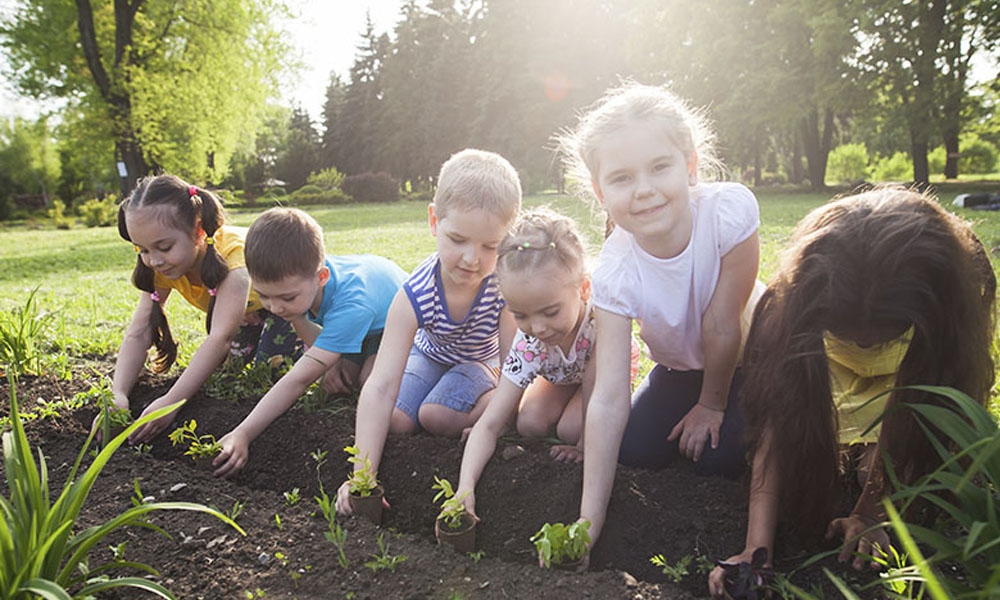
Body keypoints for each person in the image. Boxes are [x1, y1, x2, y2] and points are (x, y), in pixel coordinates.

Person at [708, 188, 996, 597]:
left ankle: (869, 455)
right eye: (851, 335)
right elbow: (776, 421)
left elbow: (914, 406)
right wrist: (757, 548)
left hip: (906, 373)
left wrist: (870, 512)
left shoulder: (954, 295)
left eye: (878, 337)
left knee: (886, 472)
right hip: (830, 368)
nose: (863, 345)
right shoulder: (793, 306)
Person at [559, 83, 764, 553]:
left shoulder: (728, 212)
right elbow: (609, 393)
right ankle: (697, 413)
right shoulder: (614, 270)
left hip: (745, 362)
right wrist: (589, 521)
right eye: (622, 178)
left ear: (689, 166)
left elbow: (721, 323)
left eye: (659, 167)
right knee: (634, 451)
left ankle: (748, 418)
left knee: (718, 460)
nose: (645, 190)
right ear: (600, 191)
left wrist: (712, 405)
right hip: (677, 369)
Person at [334, 148, 522, 514]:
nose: (472, 258)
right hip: (430, 354)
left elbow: (513, 366)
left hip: (480, 362)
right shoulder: (415, 293)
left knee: (436, 416)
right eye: (458, 239)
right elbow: (381, 384)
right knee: (395, 420)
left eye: (490, 246)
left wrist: (494, 419)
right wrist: (362, 474)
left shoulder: (504, 286)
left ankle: (481, 413)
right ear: (435, 221)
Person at [214, 207, 407, 476]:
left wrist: (244, 432)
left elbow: (299, 379)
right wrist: (328, 364)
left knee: (367, 382)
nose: (275, 308)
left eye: (287, 299)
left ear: (321, 277)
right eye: (264, 296)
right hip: (366, 324)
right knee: (336, 380)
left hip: (398, 327)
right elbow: (305, 330)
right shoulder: (302, 285)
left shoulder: (351, 305)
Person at [111, 174, 300, 443]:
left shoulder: (234, 257)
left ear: (198, 230)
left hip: (296, 306)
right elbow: (139, 332)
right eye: (141, 249)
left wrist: (172, 401)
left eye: (164, 247)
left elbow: (220, 338)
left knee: (269, 373)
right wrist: (118, 393)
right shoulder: (160, 265)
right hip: (251, 313)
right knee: (231, 376)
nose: (154, 260)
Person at [455, 208, 597, 519]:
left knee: (573, 428)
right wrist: (464, 489)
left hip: (595, 377)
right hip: (560, 375)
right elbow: (490, 423)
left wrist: (585, 446)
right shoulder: (529, 344)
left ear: (583, 289)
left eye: (550, 312)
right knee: (529, 425)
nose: (539, 328)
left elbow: (599, 390)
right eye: (521, 315)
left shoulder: (600, 321)